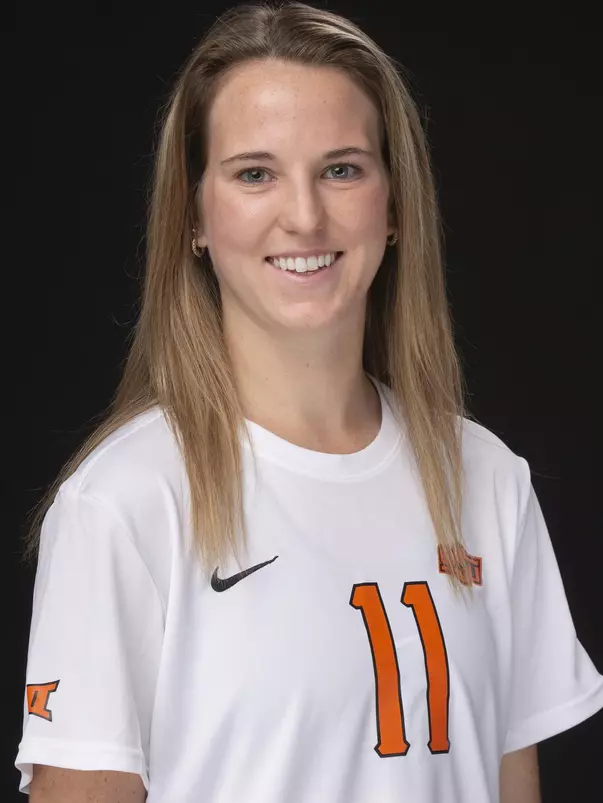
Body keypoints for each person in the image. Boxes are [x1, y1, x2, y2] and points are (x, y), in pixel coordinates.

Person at [16, 2, 603, 802]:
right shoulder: (123, 504)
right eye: (254, 173)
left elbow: (511, 785)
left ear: (393, 207)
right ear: (193, 214)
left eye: (342, 168)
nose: (303, 215)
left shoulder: (487, 478)